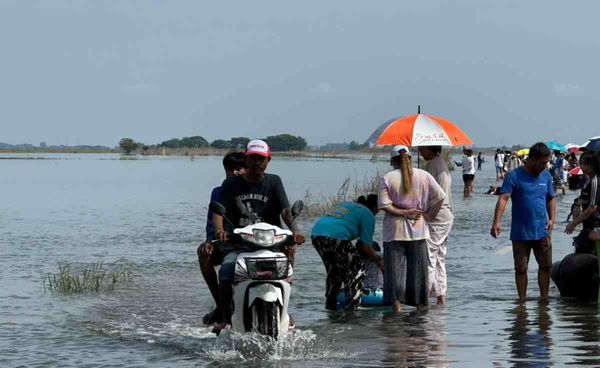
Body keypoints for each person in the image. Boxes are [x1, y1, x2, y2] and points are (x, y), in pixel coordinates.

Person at [212, 139, 305, 328]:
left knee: (286, 270)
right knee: (227, 271)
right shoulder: (230, 184)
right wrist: (220, 231)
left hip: (271, 243)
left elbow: (286, 211)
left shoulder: (274, 182)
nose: (257, 163)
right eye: (253, 158)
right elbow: (217, 211)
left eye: (261, 159)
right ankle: (225, 317)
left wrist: (295, 232)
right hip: (240, 243)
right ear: (246, 159)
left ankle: (285, 313)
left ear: (268, 160)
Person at [379, 145, 446, 312]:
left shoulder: (388, 178)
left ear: (393, 160)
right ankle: (421, 309)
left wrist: (403, 212)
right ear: (409, 158)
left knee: (394, 275)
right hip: (418, 231)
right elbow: (440, 198)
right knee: (419, 275)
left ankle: (397, 310)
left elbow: (384, 205)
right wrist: (429, 215)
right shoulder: (424, 175)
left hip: (394, 232)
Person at [490, 142, 556, 303]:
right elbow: (504, 198)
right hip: (520, 231)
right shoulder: (514, 176)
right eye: (542, 162)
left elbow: (551, 198)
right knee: (521, 268)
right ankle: (522, 302)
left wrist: (552, 218)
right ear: (532, 160)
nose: (545, 166)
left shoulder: (546, 176)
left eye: (546, 162)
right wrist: (496, 222)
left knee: (546, 266)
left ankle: (544, 299)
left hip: (542, 229)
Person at [197, 152, 246, 325]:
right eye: (230, 170)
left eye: (238, 169)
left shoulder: (256, 189)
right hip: (225, 242)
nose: (234, 173)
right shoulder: (219, 192)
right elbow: (213, 222)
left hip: (253, 242)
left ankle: (283, 308)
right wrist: (211, 240)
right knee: (204, 253)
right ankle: (220, 306)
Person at [311, 194, 382, 310]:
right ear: (375, 208)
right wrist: (379, 262)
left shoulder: (347, 204)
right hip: (335, 237)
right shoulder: (368, 214)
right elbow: (365, 246)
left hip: (316, 234)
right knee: (357, 268)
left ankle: (330, 304)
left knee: (334, 271)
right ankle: (353, 309)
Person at [418, 145, 454, 306]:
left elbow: (435, 196)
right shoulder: (442, 164)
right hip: (446, 216)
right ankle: (441, 298)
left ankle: (424, 298)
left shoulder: (432, 166)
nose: (420, 151)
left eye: (422, 149)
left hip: (437, 216)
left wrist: (428, 215)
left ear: (429, 149)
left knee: (429, 257)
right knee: (439, 258)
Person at [565, 152, 600, 253]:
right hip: (587, 225)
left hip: (595, 226)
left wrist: (574, 224)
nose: (581, 167)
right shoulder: (588, 180)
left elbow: (592, 207)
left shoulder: (595, 180)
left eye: (583, 164)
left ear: (592, 165)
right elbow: (585, 199)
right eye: (580, 163)